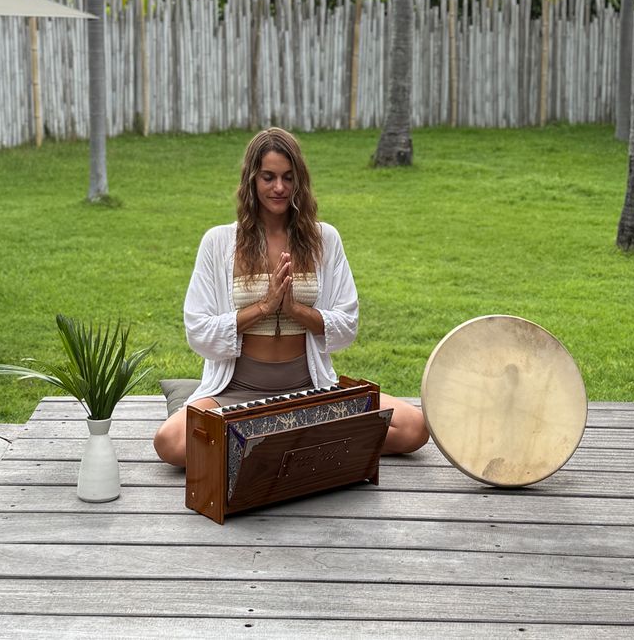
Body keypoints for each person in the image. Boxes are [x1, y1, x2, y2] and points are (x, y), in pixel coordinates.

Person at [154, 127, 429, 467]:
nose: (279, 188)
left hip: (309, 392)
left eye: (288, 177)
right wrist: (264, 307)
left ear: (300, 180)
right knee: (170, 443)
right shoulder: (218, 242)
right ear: (252, 180)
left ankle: (267, 443)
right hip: (235, 394)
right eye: (268, 177)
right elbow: (198, 330)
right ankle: (299, 444)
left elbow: (347, 325)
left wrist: (295, 309)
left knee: (413, 428)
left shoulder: (324, 239)